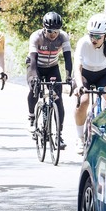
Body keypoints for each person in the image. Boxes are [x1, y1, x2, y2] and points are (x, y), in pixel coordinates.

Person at [73, 13, 106, 154]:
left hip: (103, 74)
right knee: (83, 101)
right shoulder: (83, 42)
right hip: (85, 75)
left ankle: (105, 134)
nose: (93, 39)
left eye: (97, 37)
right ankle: (80, 137)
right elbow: (77, 67)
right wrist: (79, 86)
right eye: (91, 35)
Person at [26, 12, 72, 149]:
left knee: (58, 100)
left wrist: (69, 77)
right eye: (50, 31)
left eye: (56, 31)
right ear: (44, 28)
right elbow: (33, 60)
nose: (53, 35)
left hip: (52, 67)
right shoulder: (36, 36)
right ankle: (32, 118)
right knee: (34, 89)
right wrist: (34, 77)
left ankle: (59, 135)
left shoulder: (63, 37)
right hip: (36, 66)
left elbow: (68, 58)